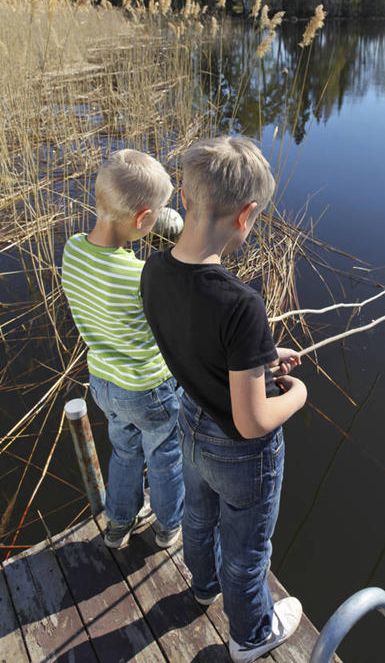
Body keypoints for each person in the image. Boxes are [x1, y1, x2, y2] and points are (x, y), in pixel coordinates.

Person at [141, 135, 308, 663]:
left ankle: (203, 586)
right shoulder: (241, 303)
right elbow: (253, 420)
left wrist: (258, 355)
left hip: (190, 423)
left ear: (186, 200)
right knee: (248, 550)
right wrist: (297, 396)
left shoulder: (153, 271)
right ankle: (251, 635)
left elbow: (197, 343)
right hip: (240, 452)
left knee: (198, 515)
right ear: (247, 215)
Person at [61, 149, 184, 550]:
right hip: (148, 388)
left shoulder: (72, 250)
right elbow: (171, 327)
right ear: (143, 219)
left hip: (103, 385)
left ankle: (118, 525)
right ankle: (168, 526)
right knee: (165, 456)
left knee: (125, 452)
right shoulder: (142, 276)